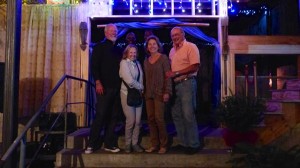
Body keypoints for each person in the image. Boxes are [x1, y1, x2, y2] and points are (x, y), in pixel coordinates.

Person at [85, 23, 122, 154]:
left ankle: (108, 143)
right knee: (100, 115)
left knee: (113, 117)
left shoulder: (118, 49)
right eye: (111, 31)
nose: (114, 33)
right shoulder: (99, 47)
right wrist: (98, 82)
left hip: (117, 88)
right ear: (105, 33)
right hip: (104, 88)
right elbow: (94, 66)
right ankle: (91, 144)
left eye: (115, 31)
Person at [165, 27, 201, 155]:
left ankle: (194, 144)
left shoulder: (191, 47)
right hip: (175, 85)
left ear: (183, 34)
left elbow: (195, 65)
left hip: (187, 83)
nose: (174, 37)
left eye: (177, 34)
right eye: (172, 35)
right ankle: (183, 143)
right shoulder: (171, 51)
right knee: (177, 115)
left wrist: (177, 72)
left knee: (188, 114)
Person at [144, 35, 172, 154]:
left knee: (159, 119)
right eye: (150, 44)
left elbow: (168, 75)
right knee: (150, 119)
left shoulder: (163, 58)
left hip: (160, 92)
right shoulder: (146, 60)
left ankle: (163, 145)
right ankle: (154, 144)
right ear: (147, 47)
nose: (152, 46)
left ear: (158, 45)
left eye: (154, 44)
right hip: (148, 94)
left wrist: (167, 91)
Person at [119, 44, 144, 153]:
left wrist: (141, 90)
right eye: (131, 52)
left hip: (138, 94)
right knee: (131, 121)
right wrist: (141, 87)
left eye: (134, 52)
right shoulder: (124, 63)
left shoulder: (137, 63)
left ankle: (135, 143)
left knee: (138, 121)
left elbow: (141, 77)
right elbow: (129, 80)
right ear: (127, 53)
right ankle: (128, 144)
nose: (133, 54)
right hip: (126, 93)